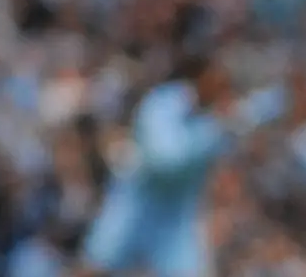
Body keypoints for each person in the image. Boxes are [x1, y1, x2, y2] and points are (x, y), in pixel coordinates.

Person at [78, 52, 287, 277]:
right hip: (137, 202)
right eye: (217, 81)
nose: (222, 89)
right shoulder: (163, 104)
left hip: (178, 214)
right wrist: (216, 126)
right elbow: (165, 160)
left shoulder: (219, 115)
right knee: (95, 268)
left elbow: (258, 112)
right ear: (200, 79)